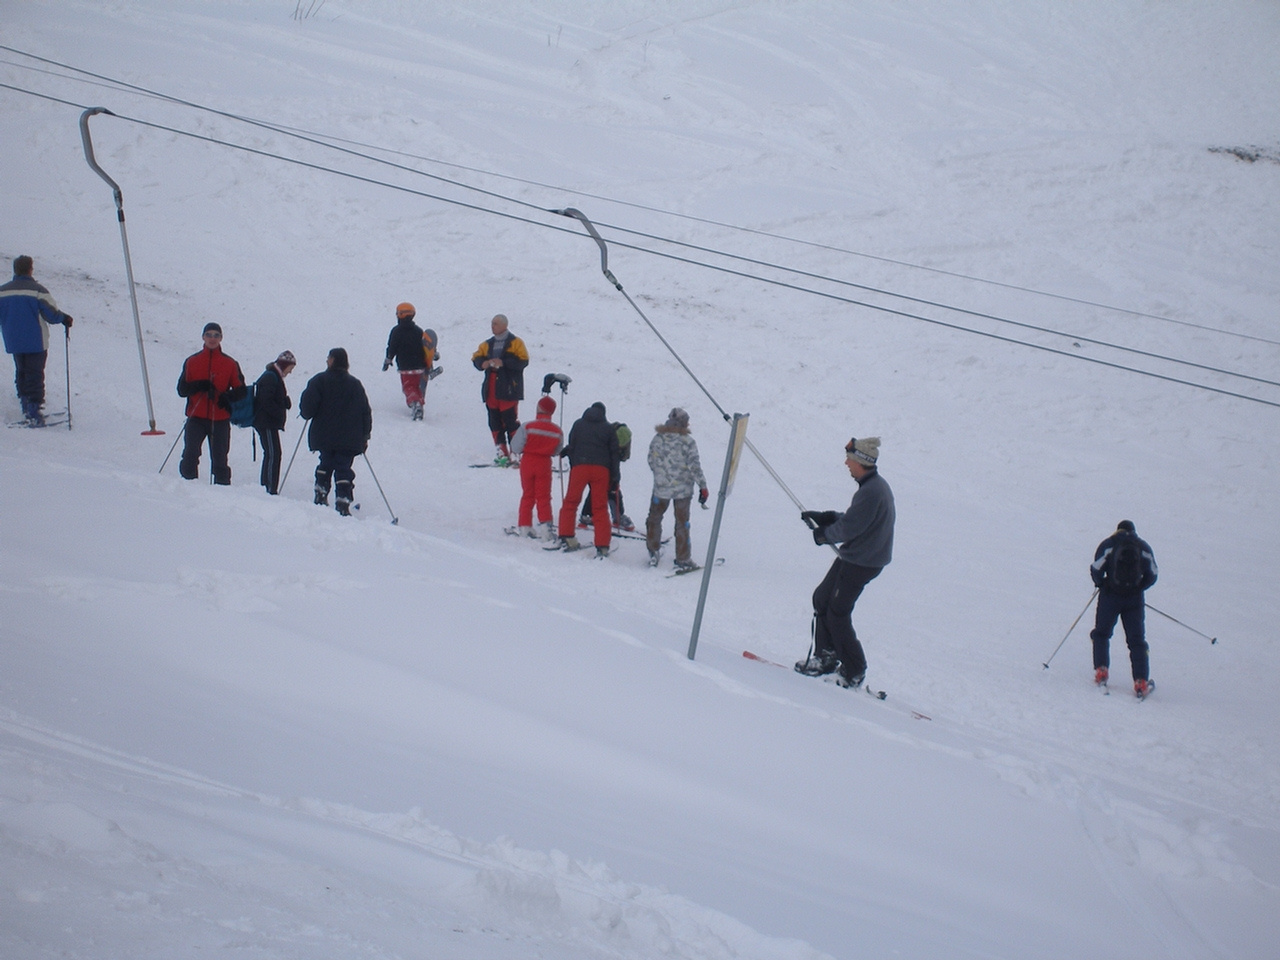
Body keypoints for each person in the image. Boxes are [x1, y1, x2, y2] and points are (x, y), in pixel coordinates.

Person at [795, 436, 895, 689]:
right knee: (822, 598)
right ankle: (826, 655)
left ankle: (854, 669)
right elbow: (855, 520)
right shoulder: (871, 487)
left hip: (863, 562)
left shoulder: (872, 491)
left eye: (849, 460)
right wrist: (828, 517)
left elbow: (851, 528)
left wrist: (823, 535)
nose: (846, 463)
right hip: (857, 556)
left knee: (838, 611)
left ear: (860, 462)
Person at [0, 255, 74, 426]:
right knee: (35, 373)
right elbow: (51, 314)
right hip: (36, 340)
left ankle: (25, 404)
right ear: (30, 269)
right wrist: (65, 318)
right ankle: (34, 411)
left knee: (22, 370)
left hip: (13, 340)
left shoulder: (3, 292)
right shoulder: (38, 290)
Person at [299, 347, 372, 516]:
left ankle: (321, 493)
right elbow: (365, 411)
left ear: (332, 361)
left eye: (328, 358)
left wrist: (306, 412)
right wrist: (365, 435)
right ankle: (343, 500)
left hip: (323, 435)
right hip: (349, 438)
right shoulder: (355, 385)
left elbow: (307, 408)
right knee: (343, 467)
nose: (326, 361)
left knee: (325, 462)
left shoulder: (319, 381)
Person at [1089, 520, 1158, 697]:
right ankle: (1141, 681)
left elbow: (1096, 568)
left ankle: (1101, 670)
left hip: (1110, 597)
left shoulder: (1109, 544)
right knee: (1136, 641)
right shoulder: (1143, 547)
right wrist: (1139, 587)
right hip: (1134, 600)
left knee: (1102, 633)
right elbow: (1153, 574)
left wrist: (1102, 584)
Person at [176, 322, 247, 485]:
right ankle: (187, 487)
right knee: (190, 454)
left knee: (220, 459)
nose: (212, 338)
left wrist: (227, 397)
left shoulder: (230, 363)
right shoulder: (192, 362)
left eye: (216, 335)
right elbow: (181, 390)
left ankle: (222, 492)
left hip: (220, 419)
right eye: (209, 335)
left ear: (221, 338)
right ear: (203, 337)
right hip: (196, 418)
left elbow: (241, 390)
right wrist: (198, 385)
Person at [645, 407, 708, 571]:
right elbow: (694, 466)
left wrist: (660, 475)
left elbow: (651, 460)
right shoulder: (688, 442)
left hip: (661, 490)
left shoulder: (658, 439)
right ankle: (683, 558)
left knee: (655, 518)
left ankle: (653, 550)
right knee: (682, 523)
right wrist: (703, 486)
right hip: (683, 492)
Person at [555, 401, 620, 557]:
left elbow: (572, 446)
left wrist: (574, 464)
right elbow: (614, 454)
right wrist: (615, 477)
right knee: (599, 508)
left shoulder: (578, 424)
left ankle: (567, 536)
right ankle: (602, 546)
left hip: (580, 468)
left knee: (571, 501)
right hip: (601, 470)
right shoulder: (609, 429)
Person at [471, 313, 528, 465]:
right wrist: (481, 363)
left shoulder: (516, 343)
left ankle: (517, 452)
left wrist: (503, 363)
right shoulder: (487, 344)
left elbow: (523, 361)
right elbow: (476, 357)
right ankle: (502, 451)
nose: (492, 326)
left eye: (495, 323)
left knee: (510, 421)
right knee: (494, 421)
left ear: (504, 325)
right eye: (492, 323)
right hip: (491, 388)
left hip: (509, 388)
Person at [509, 394, 564, 539]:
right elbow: (558, 450)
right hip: (544, 464)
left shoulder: (527, 426)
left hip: (527, 462)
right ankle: (546, 528)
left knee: (528, 494)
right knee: (544, 496)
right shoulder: (557, 431)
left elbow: (515, 447)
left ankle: (524, 526)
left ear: (539, 408)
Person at [251, 350, 296, 495]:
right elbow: (266, 400)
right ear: (285, 365)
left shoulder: (272, 376)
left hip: (267, 422)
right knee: (273, 454)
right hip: (266, 422)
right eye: (291, 368)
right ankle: (269, 488)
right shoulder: (271, 377)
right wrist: (279, 410)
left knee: (272, 453)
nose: (290, 372)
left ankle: (267, 487)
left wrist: (283, 402)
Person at [580, 421, 635, 533]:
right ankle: (588, 515)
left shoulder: (623, 434)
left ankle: (591, 515)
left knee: (611, 490)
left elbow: (623, 457)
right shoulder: (605, 435)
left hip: (608, 467)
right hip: (599, 466)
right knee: (602, 490)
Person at [382, 302, 428, 420]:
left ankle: (415, 403)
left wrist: (388, 359)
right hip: (420, 366)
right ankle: (419, 402)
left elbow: (392, 347)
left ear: (400, 315)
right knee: (418, 386)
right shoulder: (418, 331)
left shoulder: (396, 331)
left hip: (405, 367)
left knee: (409, 387)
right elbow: (427, 346)